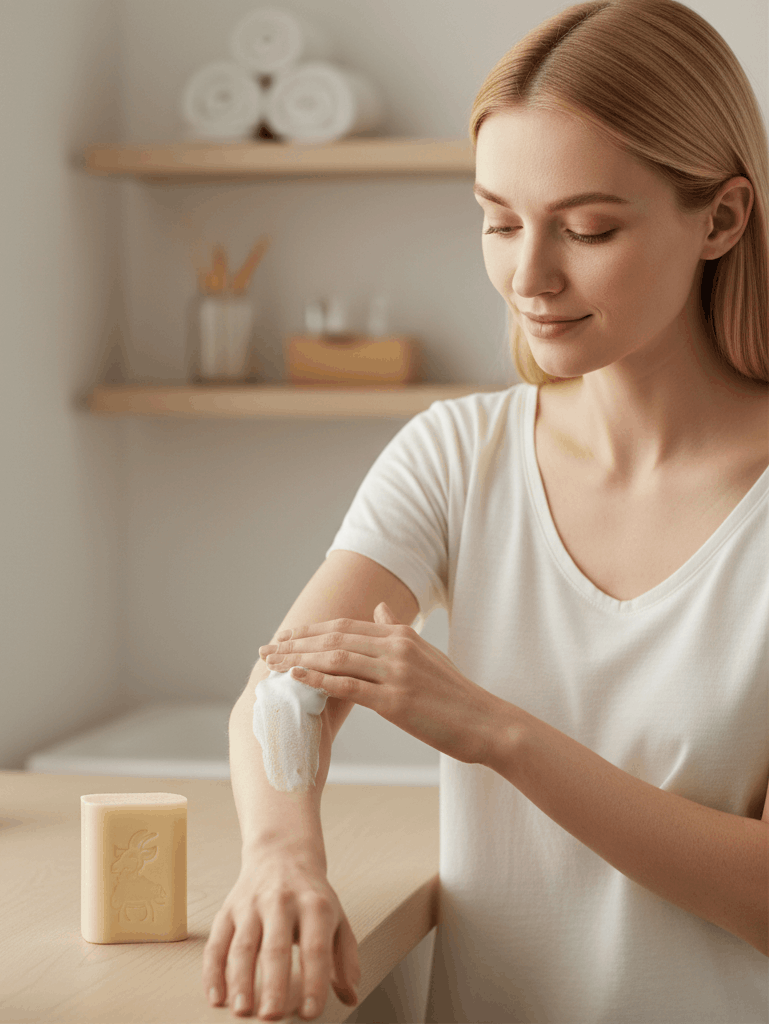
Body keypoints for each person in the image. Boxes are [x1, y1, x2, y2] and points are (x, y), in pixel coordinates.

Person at [201, 0, 768, 1019]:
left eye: (588, 228)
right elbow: (282, 685)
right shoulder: (459, 454)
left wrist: (493, 730)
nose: (529, 276)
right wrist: (282, 851)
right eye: (499, 221)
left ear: (721, 219)